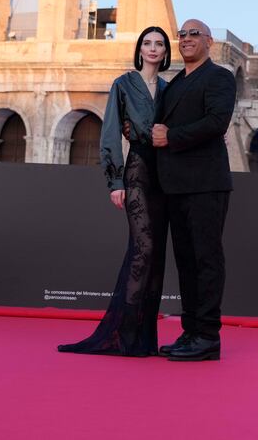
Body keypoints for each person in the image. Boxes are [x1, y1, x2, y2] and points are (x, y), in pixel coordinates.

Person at [57, 26, 172, 356]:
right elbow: (110, 135)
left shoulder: (169, 89)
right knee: (143, 248)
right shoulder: (123, 85)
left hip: (166, 176)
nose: (153, 49)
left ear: (165, 53)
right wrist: (116, 181)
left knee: (157, 255)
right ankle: (125, 335)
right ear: (140, 49)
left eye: (159, 44)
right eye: (147, 43)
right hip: (137, 170)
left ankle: (145, 339)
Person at [153, 19, 236, 361]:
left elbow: (217, 122)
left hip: (205, 184)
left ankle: (207, 336)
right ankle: (191, 332)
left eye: (194, 34)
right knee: (185, 261)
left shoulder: (219, 78)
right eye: (182, 35)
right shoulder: (173, 85)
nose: (186, 39)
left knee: (206, 259)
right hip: (174, 186)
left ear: (209, 42)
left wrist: (171, 137)